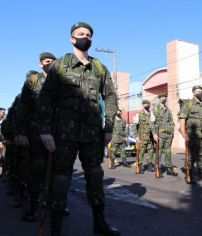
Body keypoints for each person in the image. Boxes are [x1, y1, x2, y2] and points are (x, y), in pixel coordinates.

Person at [38, 22, 120, 235]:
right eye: (81, 34)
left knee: (95, 177)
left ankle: (99, 222)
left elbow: (111, 97)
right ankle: (56, 225)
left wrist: (109, 127)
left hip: (92, 134)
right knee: (61, 178)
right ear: (72, 39)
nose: (86, 37)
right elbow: (46, 98)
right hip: (63, 134)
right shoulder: (60, 65)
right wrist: (45, 130)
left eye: (89, 34)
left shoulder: (99, 67)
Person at [15, 52, 56, 221]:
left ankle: (56, 205)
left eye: (53, 62)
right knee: (37, 169)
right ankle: (32, 206)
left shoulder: (60, 82)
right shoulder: (33, 81)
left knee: (57, 172)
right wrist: (21, 132)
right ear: (41, 64)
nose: (51, 64)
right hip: (35, 133)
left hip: (57, 133)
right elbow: (22, 108)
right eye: (47, 62)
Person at [178, 85, 202, 183]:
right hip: (192, 134)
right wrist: (183, 132)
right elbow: (182, 118)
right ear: (193, 92)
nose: (200, 93)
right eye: (198, 91)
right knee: (191, 155)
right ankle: (190, 173)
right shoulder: (188, 104)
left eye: (201, 91)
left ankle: (201, 172)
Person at [152, 93, 177, 176]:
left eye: (165, 97)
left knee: (168, 151)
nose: (164, 98)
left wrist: (172, 132)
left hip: (168, 133)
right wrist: (154, 134)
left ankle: (169, 168)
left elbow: (171, 121)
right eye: (162, 97)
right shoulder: (155, 108)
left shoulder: (168, 109)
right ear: (159, 99)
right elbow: (152, 122)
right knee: (158, 151)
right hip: (159, 133)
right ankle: (157, 168)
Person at [132, 100, 155, 174]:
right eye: (144, 104)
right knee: (141, 151)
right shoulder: (139, 114)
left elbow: (154, 125)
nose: (146, 105)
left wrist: (155, 134)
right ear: (143, 105)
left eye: (147, 103)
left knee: (151, 150)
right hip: (142, 136)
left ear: (149, 105)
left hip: (150, 137)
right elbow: (134, 126)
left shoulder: (151, 114)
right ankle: (140, 165)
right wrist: (136, 136)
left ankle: (149, 165)